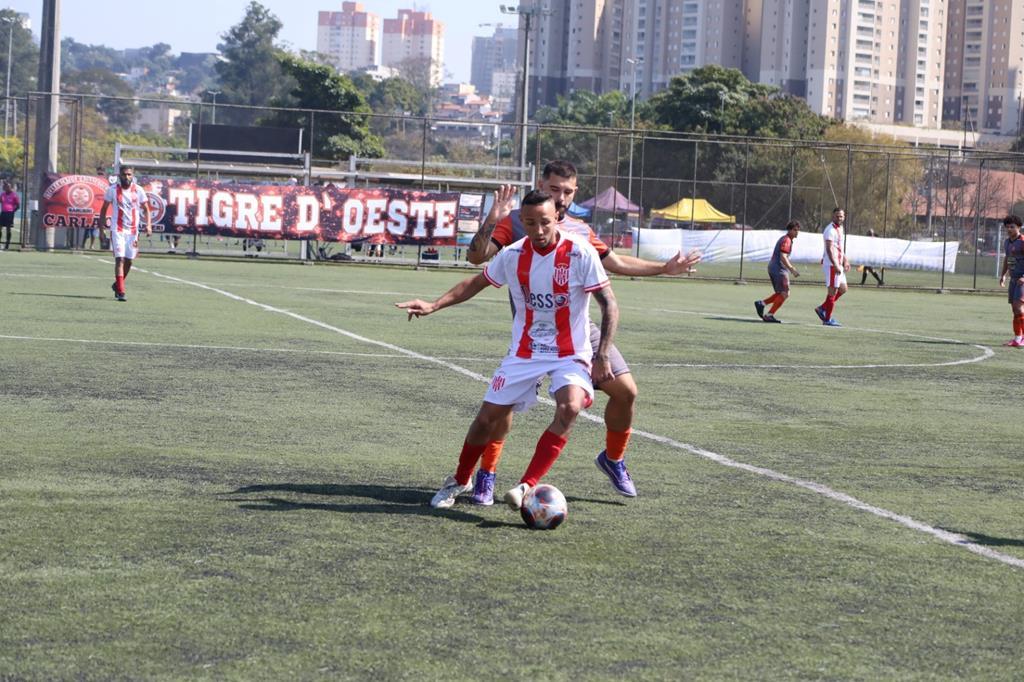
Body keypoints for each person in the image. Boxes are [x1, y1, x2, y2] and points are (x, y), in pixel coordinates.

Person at [464, 159, 701, 504]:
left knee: (626, 392)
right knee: (505, 407)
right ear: (541, 187)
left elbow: (616, 263)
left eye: (567, 191)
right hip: (532, 334)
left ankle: (613, 459)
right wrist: (493, 218)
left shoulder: (579, 230)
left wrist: (664, 268)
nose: (560, 196)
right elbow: (478, 257)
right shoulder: (519, 221)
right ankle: (487, 474)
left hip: (578, 330)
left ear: (575, 194)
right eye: (553, 189)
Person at [396, 190, 619, 511]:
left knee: (569, 407)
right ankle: (460, 478)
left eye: (545, 222)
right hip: (525, 352)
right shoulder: (513, 254)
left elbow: (609, 304)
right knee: (487, 419)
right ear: (521, 222)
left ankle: (527, 486)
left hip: (570, 352)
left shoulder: (580, 253)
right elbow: (475, 282)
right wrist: (434, 304)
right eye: (530, 223)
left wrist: (603, 355)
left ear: (557, 217)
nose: (539, 230)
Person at [98, 166, 152, 302]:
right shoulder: (112, 190)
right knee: (119, 259)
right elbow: (104, 209)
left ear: (132, 176)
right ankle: (121, 291)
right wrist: (101, 229)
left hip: (133, 231)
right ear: (119, 176)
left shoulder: (138, 190)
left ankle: (117, 284)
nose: (127, 177)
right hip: (118, 229)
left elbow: (146, 209)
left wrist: (149, 225)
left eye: (129, 175)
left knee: (129, 260)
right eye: (124, 175)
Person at [754, 220, 800, 323]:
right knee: (785, 293)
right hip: (778, 269)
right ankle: (769, 315)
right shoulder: (787, 240)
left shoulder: (786, 239)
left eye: (798, 230)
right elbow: (783, 257)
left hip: (775, 268)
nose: (797, 232)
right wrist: (792, 269)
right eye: (795, 230)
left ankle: (762, 303)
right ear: (789, 230)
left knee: (781, 293)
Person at [814, 207, 850, 327]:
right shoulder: (830, 230)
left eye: (841, 216)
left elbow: (838, 247)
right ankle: (827, 319)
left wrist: (845, 260)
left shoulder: (840, 228)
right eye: (837, 216)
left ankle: (822, 308)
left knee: (843, 288)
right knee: (832, 291)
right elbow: (829, 249)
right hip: (831, 264)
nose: (839, 218)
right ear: (833, 216)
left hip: (838, 263)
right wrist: (835, 264)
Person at [998, 214, 1024, 347]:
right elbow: (1008, 260)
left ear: (1019, 227)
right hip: (1013, 280)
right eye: (1007, 227)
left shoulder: (1023, 241)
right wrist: (1003, 275)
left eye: (1012, 227)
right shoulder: (1007, 242)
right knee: (1015, 310)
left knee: (1018, 308)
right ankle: (1018, 338)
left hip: (1022, 281)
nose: (1009, 229)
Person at [0, 181, 19, 251]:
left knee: (8, 229)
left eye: (8, 186)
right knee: (0, 228)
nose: (7, 188)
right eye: (5, 187)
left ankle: (7, 245)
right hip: (3, 213)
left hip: (10, 214)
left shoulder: (14, 195)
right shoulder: (2, 194)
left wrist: (12, 211)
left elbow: (18, 206)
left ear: (10, 187)